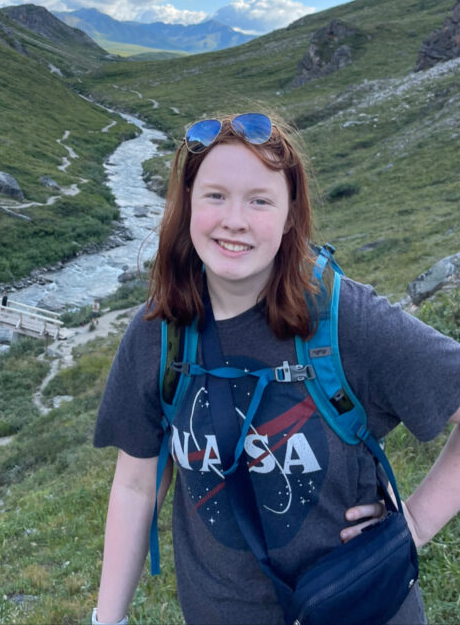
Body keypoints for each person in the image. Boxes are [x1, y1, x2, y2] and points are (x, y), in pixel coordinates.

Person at [93, 111, 460, 625]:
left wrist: (415, 524)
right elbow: (136, 485)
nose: (234, 220)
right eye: (215, 195)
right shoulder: (159, 329)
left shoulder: (344, 319)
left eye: (259, 200)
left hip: (361, 610)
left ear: (291, 214)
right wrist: (105, 620)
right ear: (187, 205)